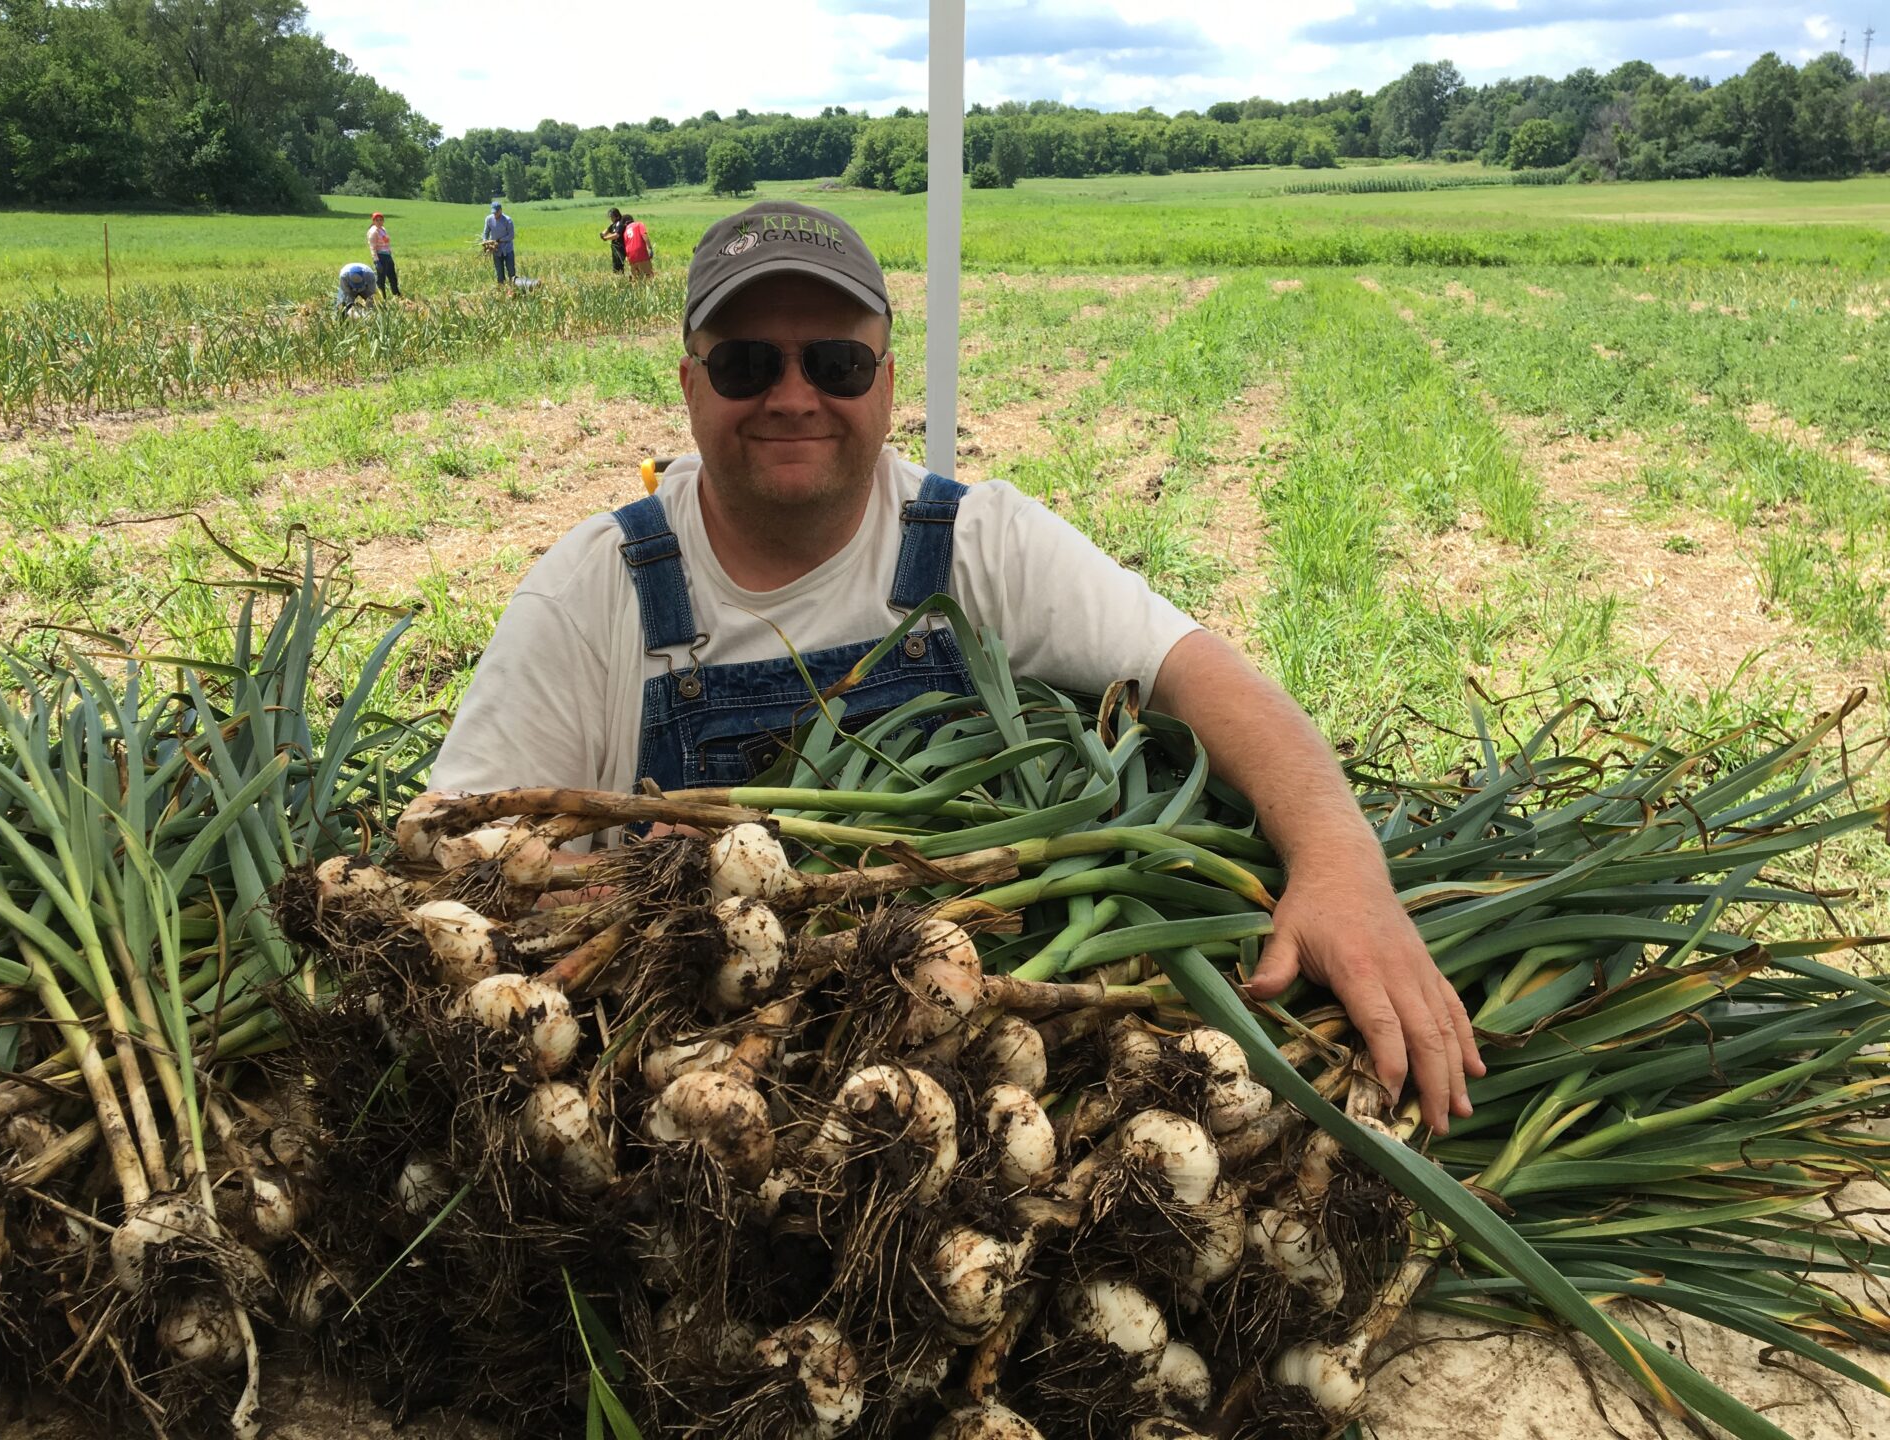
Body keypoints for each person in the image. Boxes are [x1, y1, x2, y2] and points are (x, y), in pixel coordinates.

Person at [430, 201, 1483, 1134]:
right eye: (748, 362)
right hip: (694, 1101)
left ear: (886, 379)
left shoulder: (975, 541)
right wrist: (637, 884)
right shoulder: (600, 583)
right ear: (691, 386)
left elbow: (1197, 672)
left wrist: (1342, 866)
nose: (793, 395)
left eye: (835, 363)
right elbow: (457, 853)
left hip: (936, 1093)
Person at [482, 200, 516, 284]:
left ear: (500, 210)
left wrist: (500, 240)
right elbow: (485, 232)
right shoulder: (489, 219)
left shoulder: (508, 220)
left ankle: (513, 289)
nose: (495, 215)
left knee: (511, 271)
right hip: (496, 250)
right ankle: (502, 290)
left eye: (496, 213)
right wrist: (485, 241)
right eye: (493, 213)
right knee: (499, 273)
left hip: (507, 249)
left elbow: (511, 236)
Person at [367, 212, 400, 298]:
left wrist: (390, 253)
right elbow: (372, 247)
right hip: (380, 256)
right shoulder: (373, 232)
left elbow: (387, 243)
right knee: (381, 279)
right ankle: (382, 298)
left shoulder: (383, 229)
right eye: (377, 220)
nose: (379, 222)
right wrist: (376, 261)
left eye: (381, 220)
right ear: (373, 221)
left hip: (387, 255)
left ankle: (396, 295)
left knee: (393, 277)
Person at [621, 212, 652, 279]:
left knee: (636, 277)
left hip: (630, 255)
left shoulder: (625, 231)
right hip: (640, 252)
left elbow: (626, 244)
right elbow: (644, 235)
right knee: (648, 276)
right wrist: (649, 248)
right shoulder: (639, 224)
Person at [599, 207, 627, 273]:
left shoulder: (620, 224)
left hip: (620, 248)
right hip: (615, 248)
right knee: (615, 266)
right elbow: (606, 231)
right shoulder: (613, 224)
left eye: (612, 217)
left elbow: (616, 235)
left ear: (617, 216)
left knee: (619, 266)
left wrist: (606, 238)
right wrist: (602, 234)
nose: (611, 219)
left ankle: (621, 279)